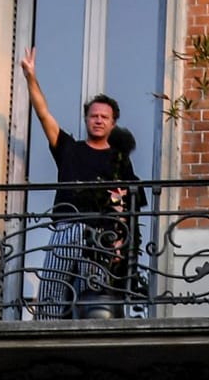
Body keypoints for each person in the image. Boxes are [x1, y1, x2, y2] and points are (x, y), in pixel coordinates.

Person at [19, 48, 140, 318]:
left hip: (100, 235)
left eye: (104, 117)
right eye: (94, 116)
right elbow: (43, 115)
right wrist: (30, 77)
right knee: (53, 287)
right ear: (86, 119)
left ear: (112, 123)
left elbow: (125, 204)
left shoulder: (118, 161)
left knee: (92, 297)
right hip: (68, 226)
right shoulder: (69, 149)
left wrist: (119, 243)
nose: (98, 120)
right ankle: (46, 331)